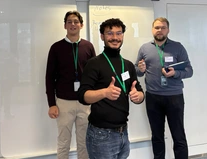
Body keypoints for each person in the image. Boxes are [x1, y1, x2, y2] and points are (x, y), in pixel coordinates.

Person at [78, 18, 145, 159]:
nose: (115, 37)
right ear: (102, 36)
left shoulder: (127, 65)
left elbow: (139, 91)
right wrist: (104, 93)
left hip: (123, 133)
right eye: (110, 33)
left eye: (119, 33)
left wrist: (138, 96)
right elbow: (83, 96)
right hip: (101, 135)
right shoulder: (93, 64)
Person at [135, 17, 193, 159]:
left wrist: (176, 73)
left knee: (178, 135)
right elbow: (136, 71)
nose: (159, 30)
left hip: (174, 97)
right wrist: (140, 69)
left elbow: (189, 71)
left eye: (163, 27)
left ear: (168, 30)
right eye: (157, 27)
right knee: (157, 136)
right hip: (153, 98)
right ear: (152, 29)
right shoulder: (144, 48)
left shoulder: (178, 47)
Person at [45, 11, 96, 159]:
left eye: (75, 21)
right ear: (65, 25)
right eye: (69, 22)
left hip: (85, 102)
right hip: (63, 103)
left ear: (81, 25)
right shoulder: (56, 48)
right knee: (63, 142)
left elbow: (95, 75)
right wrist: (51, 104)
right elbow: (49, 77)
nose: (72, 24)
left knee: (84, 143)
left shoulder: (88, 46)